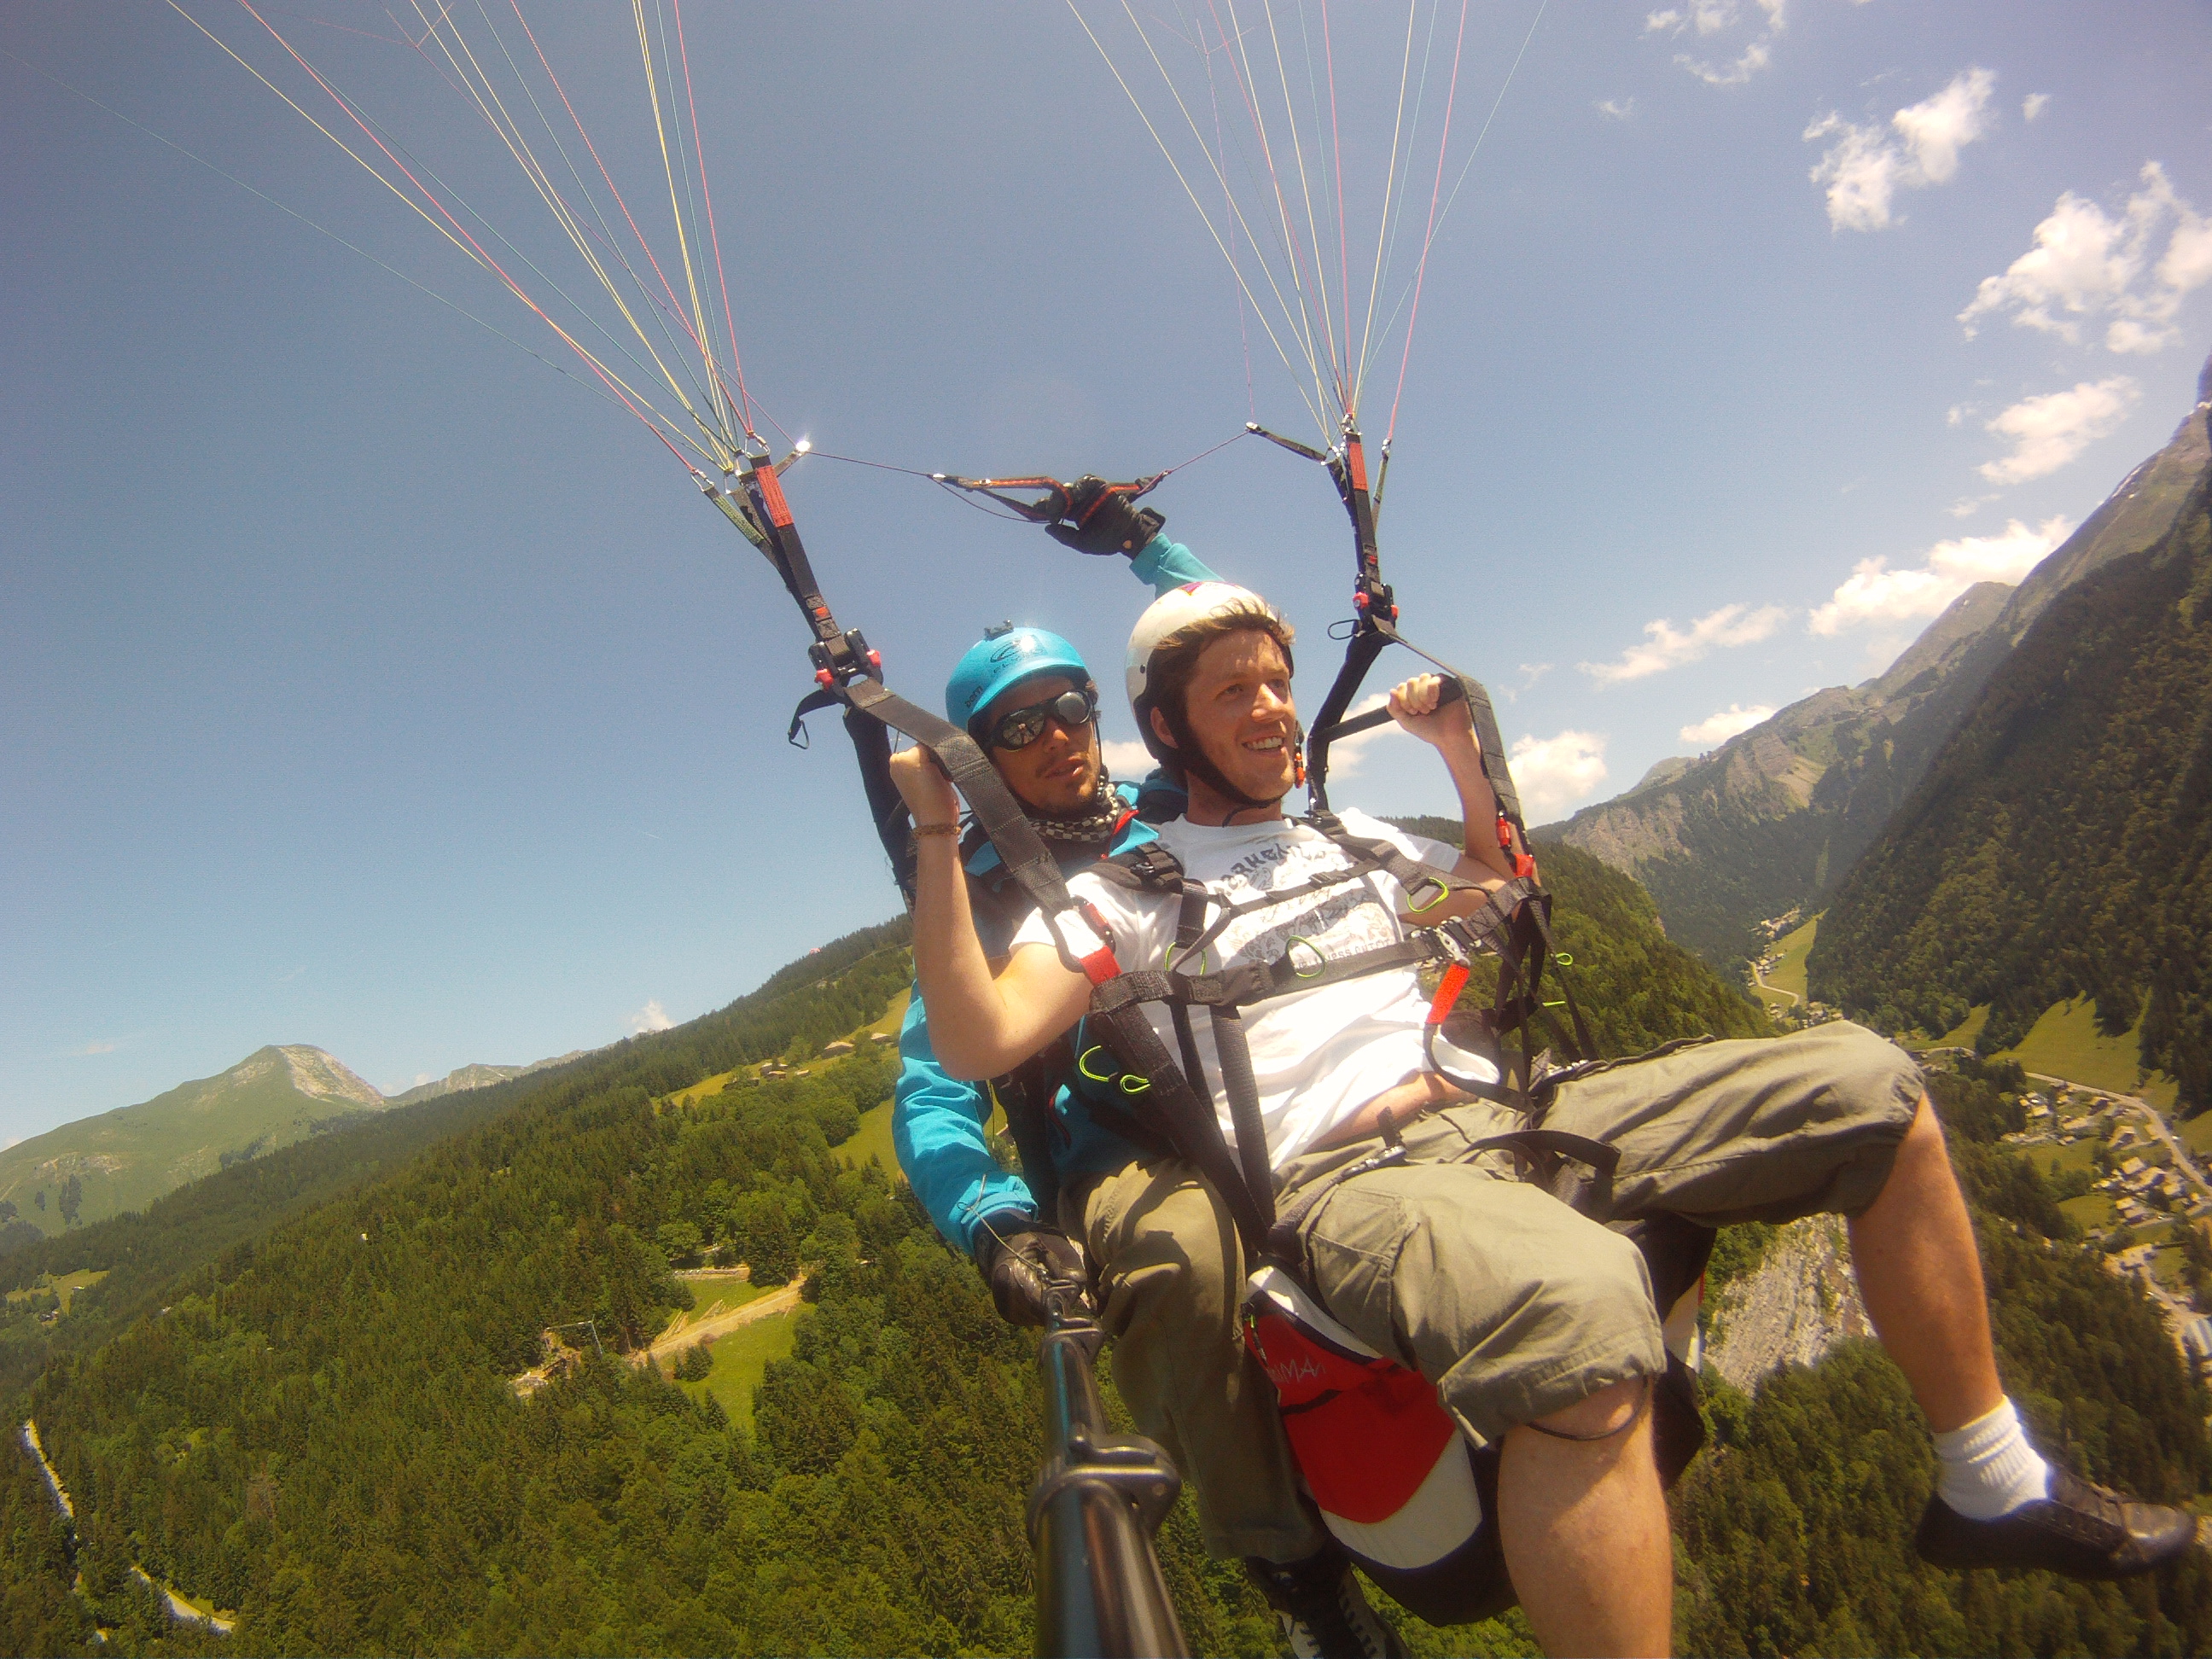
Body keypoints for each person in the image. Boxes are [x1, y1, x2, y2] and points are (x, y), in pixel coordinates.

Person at [892, 577, 2202, 1658]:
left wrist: (1458, 755)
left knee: (1873, 1087)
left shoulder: (1346, 840)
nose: (1274, 708)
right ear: (1169, 734)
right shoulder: (1118, 895)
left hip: (1507, 1111)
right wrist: (942, 841)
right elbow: (971, 1040)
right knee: (1578, 1307)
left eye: (1279, 685)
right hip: (1346, 1175)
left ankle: (1988, 1474)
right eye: (1235, 695)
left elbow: (1497, 890)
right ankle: (1301, 1584)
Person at [890, 488, 1402, 1656]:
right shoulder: (974, 907)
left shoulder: (1167, 816)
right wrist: (994, 1221)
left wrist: (1143, 546)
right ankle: (1299, 1578)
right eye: (1020, 726)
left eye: (1071, 706)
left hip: (1267, 1084)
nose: (1060, 733)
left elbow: (1226, 668)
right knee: (1183, 1260)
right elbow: (935, 1081)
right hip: (1128, 1150)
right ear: (978, 760)